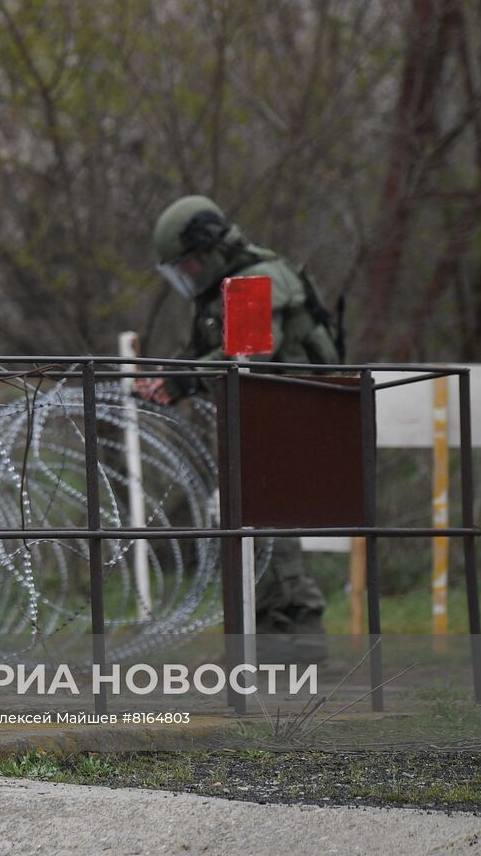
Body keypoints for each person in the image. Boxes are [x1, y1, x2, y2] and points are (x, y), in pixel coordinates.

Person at [139, 195, 339, 662]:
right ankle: (270, 635)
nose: (186, 276)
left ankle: (299, 630)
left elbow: (248, 355)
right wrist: (166, 378)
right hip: (265, 412)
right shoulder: (224, 290)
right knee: (249, 520)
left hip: (297, 412)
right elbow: (213, 354)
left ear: (207, 251)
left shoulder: (258, 279)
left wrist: (178, 380)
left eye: (187, 265)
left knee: (266, 520)